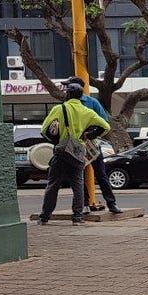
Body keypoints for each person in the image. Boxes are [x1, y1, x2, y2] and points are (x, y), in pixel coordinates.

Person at [38, 84, 111, 225]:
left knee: (53, 185)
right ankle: (77, 217)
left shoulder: (59, 109)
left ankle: (44, 217)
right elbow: (106, 126)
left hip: (62, 152)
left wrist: (57, 140)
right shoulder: (86, 111)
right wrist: (90, 135)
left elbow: (44, 129)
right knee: (78, 185)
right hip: (78, 152)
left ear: (68, 94)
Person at [59, 77, 123, 215]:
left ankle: (111, 203)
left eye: (69, 87)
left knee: (101, 174)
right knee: (78, 175)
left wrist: (92, 133)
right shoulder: (65, 105)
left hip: (91, 143)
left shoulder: (92, 102)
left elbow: (104, 122)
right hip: (75, 144)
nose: (66, 90)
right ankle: (85, 204)